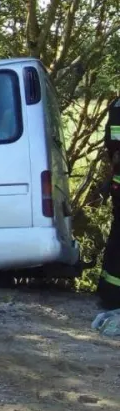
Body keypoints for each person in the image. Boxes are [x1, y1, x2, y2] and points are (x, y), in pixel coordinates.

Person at [97, 97, 120, 310]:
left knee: (116, 238)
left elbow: (110, 143)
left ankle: (108, 291)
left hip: (117, 184)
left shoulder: (116, 106)